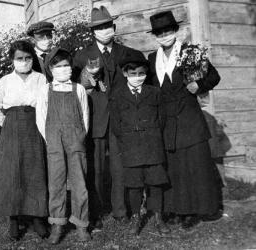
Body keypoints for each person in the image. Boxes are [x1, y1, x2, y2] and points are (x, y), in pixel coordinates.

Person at [147, 11, 222, 229]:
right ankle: (178, 209)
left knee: (195, 165)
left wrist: (199, 86)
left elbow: (214, 76)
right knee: (175, 167)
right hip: (167, 121)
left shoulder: (190, 52)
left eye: (168, 30)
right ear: (155, 35)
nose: (164, 35)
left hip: (189, 117)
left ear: (175, 31)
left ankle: (199, 210)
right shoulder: (153, 59)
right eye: (159, 32)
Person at [73, 5, 145, 227]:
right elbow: (75, 89)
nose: (105, 30)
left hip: (121, 120)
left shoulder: (128, 54)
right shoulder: (82, 56)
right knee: (95, 169)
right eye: (100, 27)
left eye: (108, 26)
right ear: (93, 32)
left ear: (114, 27)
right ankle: (95, 212)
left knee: (119, 166)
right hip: (95, 119)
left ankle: (120, 211)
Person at [0, 40, 48, 241]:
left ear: (32, 58)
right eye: (19, 58)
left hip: (35, 126)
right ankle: (14, 218)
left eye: (28, 58)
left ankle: (38, 217)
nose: (24, 62)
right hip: (12, 128)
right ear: (12, 60)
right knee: (12, 172)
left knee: (35, 170)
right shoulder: (5, 81)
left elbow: (46, 105)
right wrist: (8, 124)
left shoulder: (40, 79)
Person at [110, 50, 170, 235]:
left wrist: (150, 134)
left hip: (152, 145)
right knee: (134, 185)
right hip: (131, 147)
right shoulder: (117, 95)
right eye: (133, 74)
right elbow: (116, 124)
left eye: (142, 74)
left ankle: (158, 217)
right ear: (125, 74)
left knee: (155, 183)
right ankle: (136, 217)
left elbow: (162, 119)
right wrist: (129, 138)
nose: (138, 77)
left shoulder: (154, 93)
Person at [36, 47, 91, 244]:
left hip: (75, 139)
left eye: (66, 65)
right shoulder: (45, 90)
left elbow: (85, 116)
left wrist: (79, 136)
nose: (63, 69)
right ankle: (57, 224)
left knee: (80, 183)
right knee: (56, 183)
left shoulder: (79, 89)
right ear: (51, 69)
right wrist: (50, 138)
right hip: (54, 141)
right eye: (58, 66)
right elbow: (41, 119)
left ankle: (81, 223)